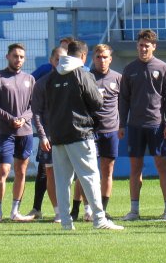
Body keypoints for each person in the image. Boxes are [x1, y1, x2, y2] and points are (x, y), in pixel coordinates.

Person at [41, 40, 124, 231]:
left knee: (62, 180)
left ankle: (66, 222)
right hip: (80, 132)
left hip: (58, 135)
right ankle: (99, 219)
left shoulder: (52, 77)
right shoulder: (82, 73)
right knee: (90, 177)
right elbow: (97, 102)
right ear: (84, 56)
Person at [118, 29, 166, 220]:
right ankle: (134, 211)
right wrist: (122, 124)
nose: (143, 49)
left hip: (157, 125)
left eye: (147, 46)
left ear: (154, 47)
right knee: (135, 168)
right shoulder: (129, 69)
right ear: (137, 46)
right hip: (135, 126)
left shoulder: (163, 68)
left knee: (161, 166)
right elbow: (124, 99)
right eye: (141, 45)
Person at [0, 43, 36, 223]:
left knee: (21, 171)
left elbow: (34, 106)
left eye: (21, 57)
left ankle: (15, 211)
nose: (18, 60)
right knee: (3, 169)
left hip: (25, 131)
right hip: (5, 131)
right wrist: (11, 119)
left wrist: (23, 119)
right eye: (15, 56)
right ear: (7, 56)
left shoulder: (29, 79)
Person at [31, 46, 67, 221]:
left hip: (70, 135)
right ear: (52, 61)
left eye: (64, 59)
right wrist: (42, 136)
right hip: (49, 136)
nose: (61, 63)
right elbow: (36, 112)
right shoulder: (41, 83)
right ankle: (58, 212)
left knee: (72, 173)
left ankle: (83, 209)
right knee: (50, 172)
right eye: (58, 59)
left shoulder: (74, 80)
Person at [89, 44, 123, 219]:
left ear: (110, 58)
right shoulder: (86, 77)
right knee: (87, 171)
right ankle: (82, 208)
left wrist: (122, 125)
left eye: (105, 57)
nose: (101, 60)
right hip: (89, 131)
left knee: (107, 170)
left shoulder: (118, 78)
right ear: (93, 58)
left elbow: (124, 104)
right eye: (98, 57)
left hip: (110, 130)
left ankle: (102, 208)